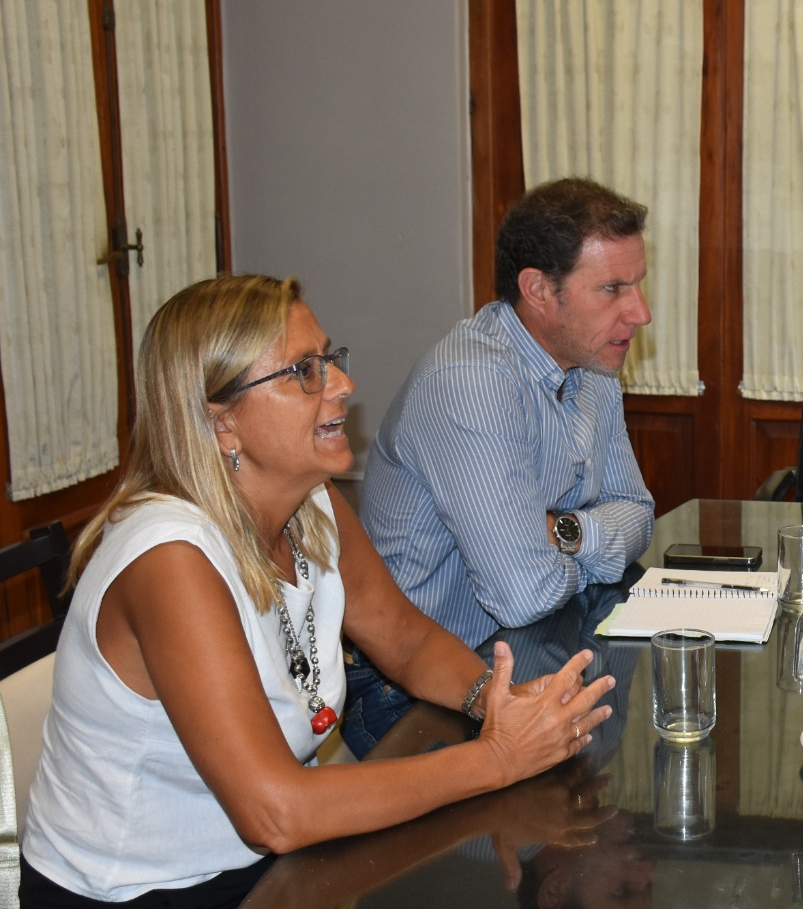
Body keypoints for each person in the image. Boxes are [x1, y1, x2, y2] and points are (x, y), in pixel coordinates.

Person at [20, 275, 615, 908]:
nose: (342, 384)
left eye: (329, 359)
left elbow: (406, 642)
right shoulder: (169, 559)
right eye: (304, 371)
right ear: (222, 423)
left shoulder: (311, 502)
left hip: (268, 867)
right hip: (141, 893)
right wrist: (498, 758)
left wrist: (495, 699)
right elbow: (275, 813)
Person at [348, 177, 656, 757]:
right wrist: (582, 551)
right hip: (416, 693)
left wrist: (565, 532)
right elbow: (524, 594)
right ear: (538, 290)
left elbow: (639, 513)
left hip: (530, 652)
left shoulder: (591, 363)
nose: (640, 313)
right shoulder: (472, 380)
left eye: (637, 284)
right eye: (612, 289)